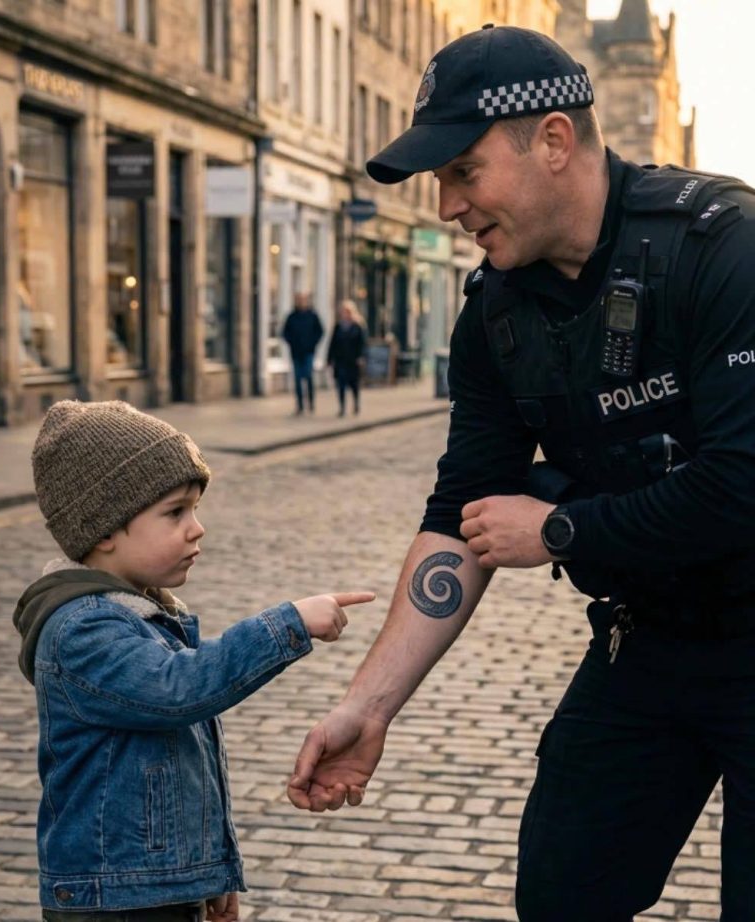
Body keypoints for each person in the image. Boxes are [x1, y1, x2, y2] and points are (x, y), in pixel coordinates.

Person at [286, 23, 755, 922]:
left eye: (463, 171)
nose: (446, 206)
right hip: (651, 638)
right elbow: (460, 513)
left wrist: (562, 529)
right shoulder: (495, 315)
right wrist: (368, 707)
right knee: (561, 892)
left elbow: (742, 483)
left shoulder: (721, 246)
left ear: (553, 141)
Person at [13, 399, 374, 922]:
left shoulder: (143, 612)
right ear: (105, 529)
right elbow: (180, 688)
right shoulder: (83, 629)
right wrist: (288, 623)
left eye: (195, 509)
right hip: (115, 901)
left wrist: (209, 874)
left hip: (152, 890)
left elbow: (183, 773)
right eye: (175, 512)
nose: (197, 528)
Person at [282, 292, 324, 415]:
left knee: (308, 376)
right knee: (297, 378)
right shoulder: (292, 317)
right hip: (296, 352)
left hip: (308, 351)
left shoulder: (312, 316)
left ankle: (311, 402)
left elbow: (320, 331)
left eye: (303, 300)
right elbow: (285, 332)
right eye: (299, 300)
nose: (301, 302)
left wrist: (312, 343)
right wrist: (292, 342)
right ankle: (300, 405)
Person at [327, 300, 367, 416]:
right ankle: (342, 407)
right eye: (343, 312)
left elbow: (362, 343)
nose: (345, 314)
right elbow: (333, 343)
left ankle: (356, 404)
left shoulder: (357, 327)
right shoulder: (338, 327)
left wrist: (361, 357)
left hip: (353, 360)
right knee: (341, 384)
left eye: (347, 312)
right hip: (340, 360)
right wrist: (329, 359)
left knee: (354, 384)